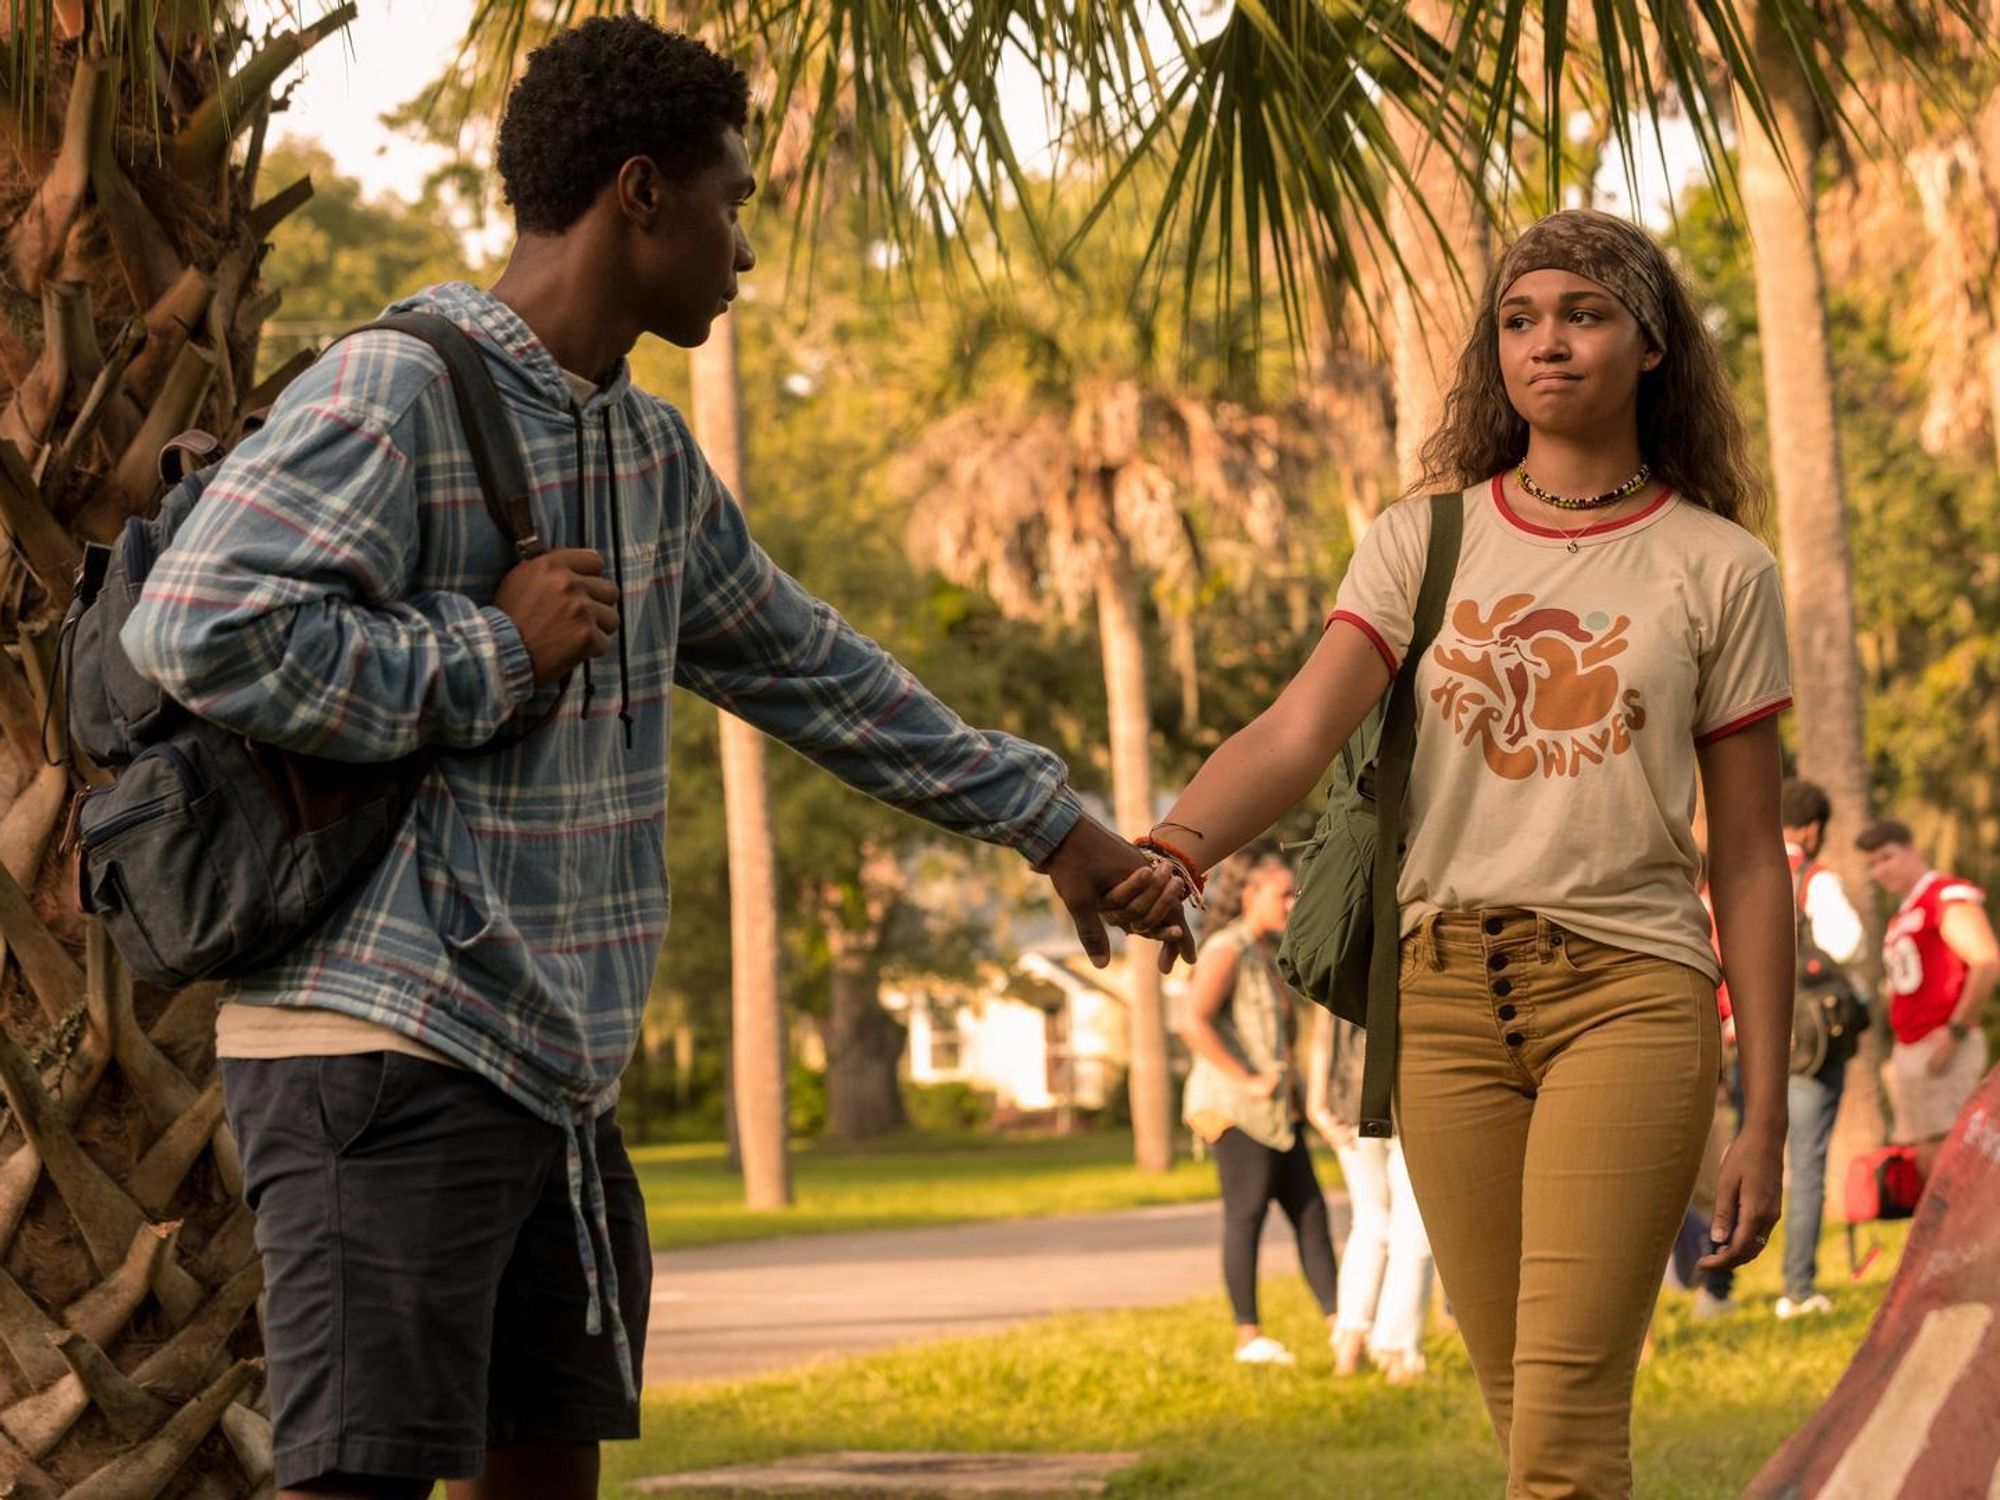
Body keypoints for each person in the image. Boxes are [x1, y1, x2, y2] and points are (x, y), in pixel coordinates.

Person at [122, 21, 1188, 1500]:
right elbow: (197, 626)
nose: (742, 246)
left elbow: (812, 669)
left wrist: (1048, 823)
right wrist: (491, 652)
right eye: (730, 202)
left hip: (553, 1070)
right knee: (356, 1482)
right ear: (640, 193)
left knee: (548, 1474)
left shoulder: (645, 452)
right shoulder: (395, 389)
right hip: (381, 1048)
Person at [1126, 208, 1795, 1497]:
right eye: (1519, 319)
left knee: (1561, 1436)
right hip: (1438, 1007)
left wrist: (1761, 1113)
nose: (1548, 342)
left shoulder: (1718, 568)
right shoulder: (1422, 541)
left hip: (1628, 994)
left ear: (1651, 345)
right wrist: (1174, 849)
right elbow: (1295, 729)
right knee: (1525, 1418)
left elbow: (1752, 861)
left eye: (1585, 314)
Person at [1702, 778, 1864, 1320]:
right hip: (1806, 1043)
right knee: (1806, 1163)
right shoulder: (1812, 878)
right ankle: (1797, 1290)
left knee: (1738, 1154)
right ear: (1813, 829)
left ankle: (1716, 1290)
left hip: (1741, 1041)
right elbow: (1848, 942)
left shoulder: (1723, 879)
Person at [1176, 852, 1340, 1366]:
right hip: (1235, 1109)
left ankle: (1343, 1328)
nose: (1292, 903)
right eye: (1283, 894)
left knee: (1311, 1216)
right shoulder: (1229, 949)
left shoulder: (1270, 952)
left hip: (1278, 1112)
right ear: (1250, 896)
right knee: (1246, 1216)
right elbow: (1191, 1021)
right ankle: (1249, 1338)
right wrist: (1246, 1078)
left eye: (1295, 894)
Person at [1861, 818, 1999, 1181]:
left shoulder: (1944, 896)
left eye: (1887, 857)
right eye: (1872, 864)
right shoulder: (1906, 911)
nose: (1880, 870)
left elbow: (1986, 960)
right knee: (1926, 1159)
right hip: (1913, 1046)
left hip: (1942, 1045)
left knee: (1955, 1162)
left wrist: (1955, 1030)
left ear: (1913, 849)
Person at [1305, 1009, 1434, 1382]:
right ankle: (1397, 1352)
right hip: (1409, 1096)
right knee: (1414, 1229)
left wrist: (1317, 1103)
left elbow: (1323, 1023)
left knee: (1369, 1221)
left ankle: (1351, 1339)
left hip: (1349, 1097)